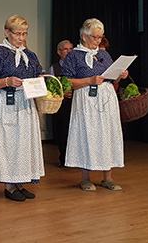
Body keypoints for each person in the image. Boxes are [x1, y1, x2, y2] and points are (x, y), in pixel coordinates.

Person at [0, 15, 45, 202]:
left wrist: (40, 80)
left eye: (24, 33)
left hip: (25, 103)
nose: (20, 37)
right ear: (7, 32)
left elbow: (38, 73)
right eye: (17, 33)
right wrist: (6, 81)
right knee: (10, 145)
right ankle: (9, 186)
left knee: (24, 144)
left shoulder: (30, 54)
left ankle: (20, 182)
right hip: (6, 103)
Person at [61, 18, 128, 192]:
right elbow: (66, 82)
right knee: (87, 134)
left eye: (100, 37)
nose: (98, 41)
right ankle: (85, 178)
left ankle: (108, 177)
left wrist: (120, 75)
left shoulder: (104, 55)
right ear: (84, 36)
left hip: (106, 99)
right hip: (86, 99)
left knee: (107, 134)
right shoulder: (74, 55)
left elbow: (110, 76)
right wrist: (88, 80)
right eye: (94, 37)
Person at [49, 40, 73, 167]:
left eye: (70, 49)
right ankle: (64, 159)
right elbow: (50, 88)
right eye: (65, 49)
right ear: (59, 52)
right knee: (62, 132)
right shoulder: (54, 68)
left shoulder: (77, 66)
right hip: (61, 106)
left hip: (76, 104)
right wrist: (62, 94)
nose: (69, 52)